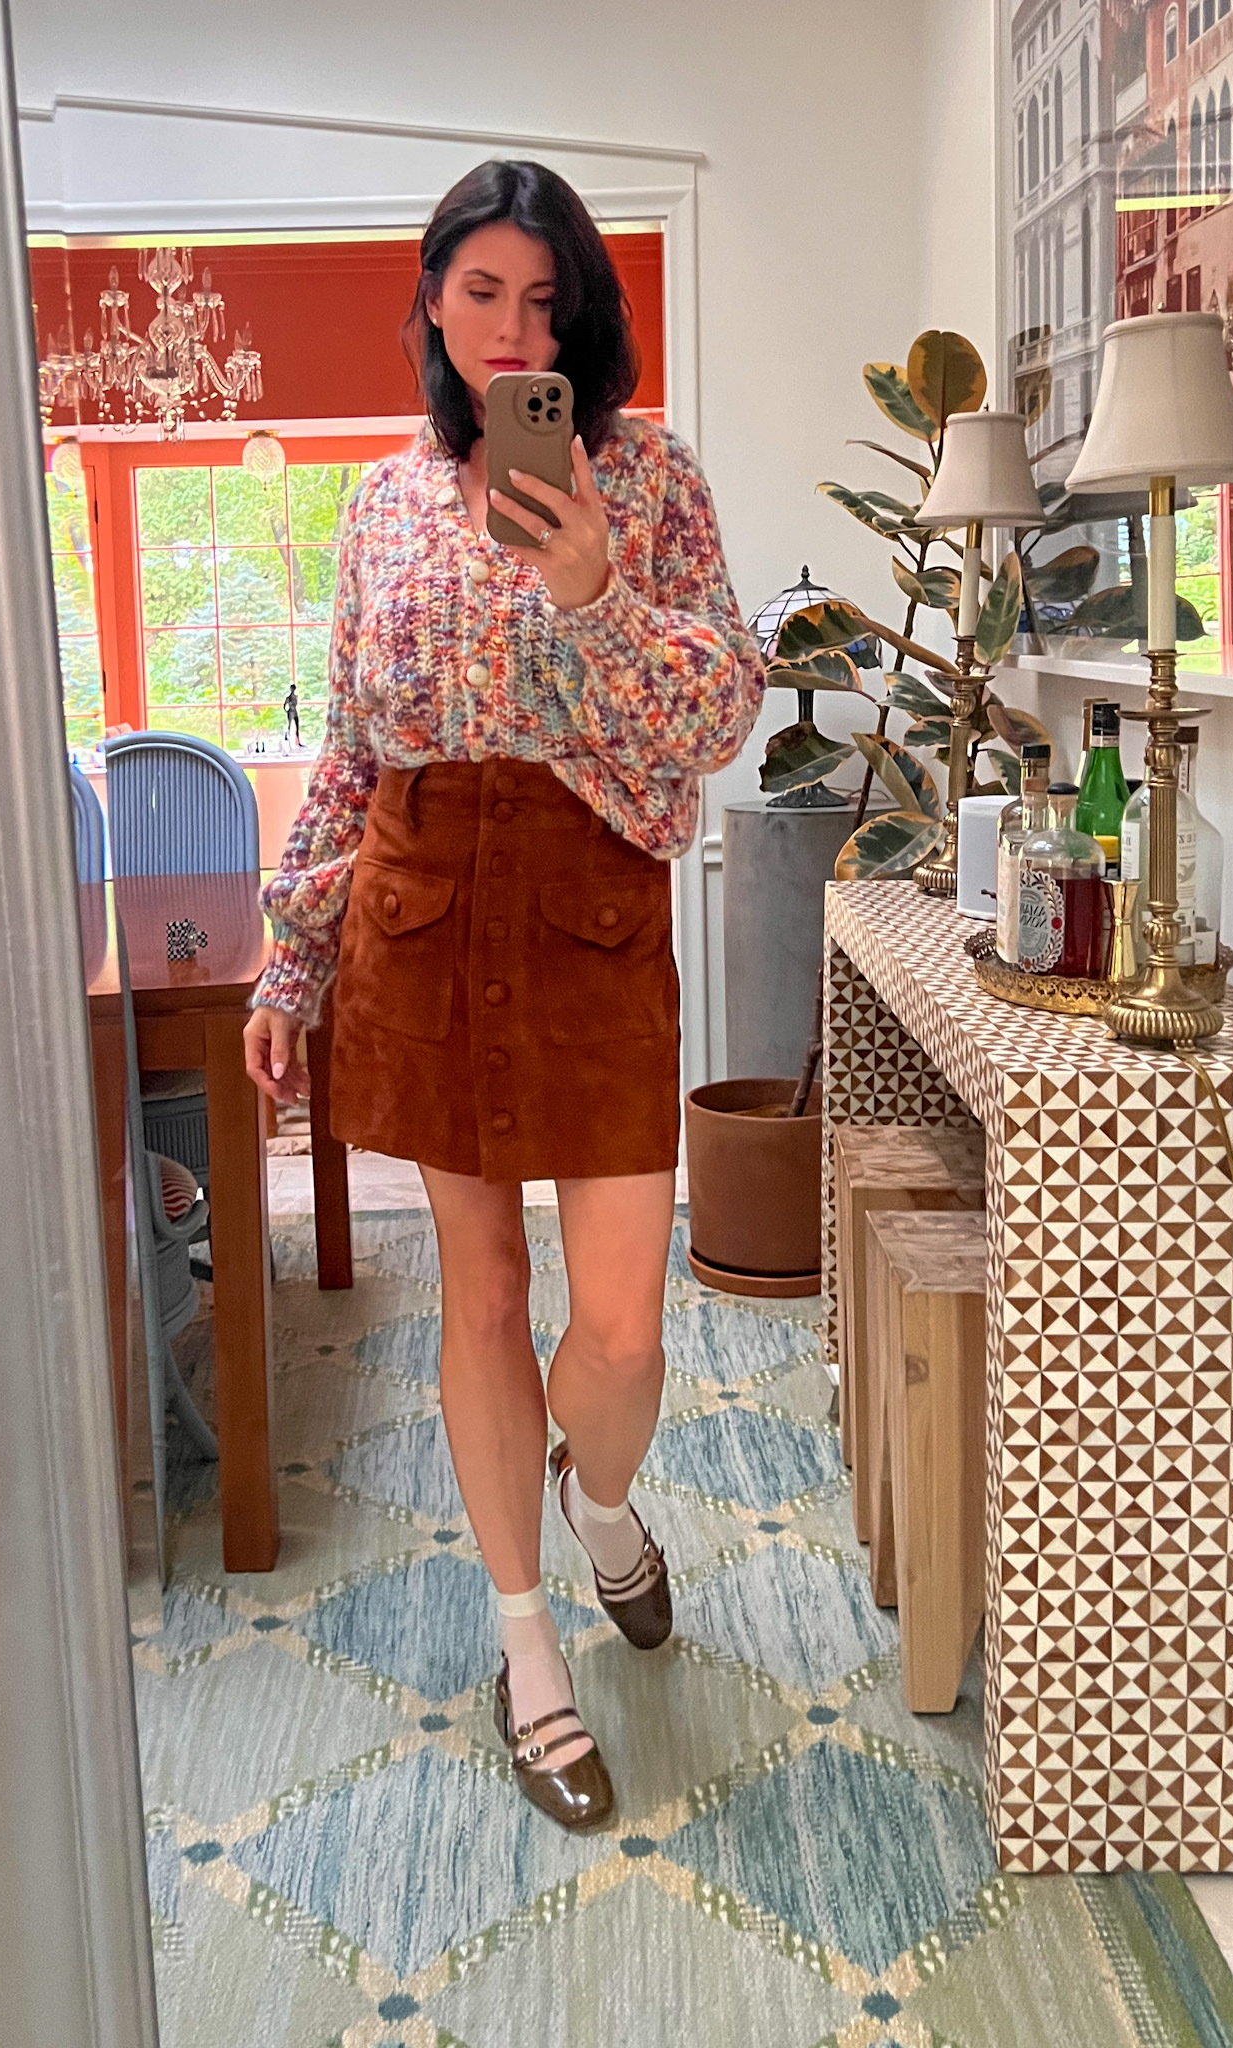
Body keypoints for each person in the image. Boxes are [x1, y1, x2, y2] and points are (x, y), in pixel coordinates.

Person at [243, 160, 764, 1831]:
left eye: (544, 300)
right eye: (481, 292)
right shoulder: (381, 506)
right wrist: (294, 948)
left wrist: (594, 585)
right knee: (476, 1291)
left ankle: (600, 1503)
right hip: (417, 902)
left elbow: (719, 711)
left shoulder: (649, 477)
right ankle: (525, 1639)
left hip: (591, 913)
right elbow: (348, 749)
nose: (512, 328)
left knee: (617, 1323)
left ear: (582, 317)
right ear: (430, 303)